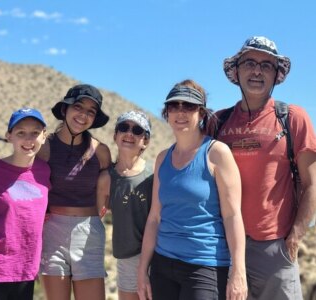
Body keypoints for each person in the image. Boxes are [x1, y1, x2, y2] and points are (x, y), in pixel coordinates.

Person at [213, 36, 316, 300]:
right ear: (236, 71)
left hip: (274, 246)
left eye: (266, 65)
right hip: (224, 246)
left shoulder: (292, 118)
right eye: (249, 63)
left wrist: (295, 236)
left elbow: (312, 183)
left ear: (276, 75)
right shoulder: (218, 122)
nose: (257, 71)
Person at [137, 80, 247, 300]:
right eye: (174, 106)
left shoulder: (217, 153)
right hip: (163, 264)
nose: (180, 112)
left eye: (188, 106)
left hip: (205, 267)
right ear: (166, 113)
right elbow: (155, 218)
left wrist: (238, 271)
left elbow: (232, 215)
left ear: (202, 113)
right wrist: (142, 270)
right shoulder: (162, 159)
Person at [38, 84, 111, 300]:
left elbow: (109, 186)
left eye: (91, 111)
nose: (83, 115)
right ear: (64, 110)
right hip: (51, 232)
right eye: (78, 107)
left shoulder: (101, 151)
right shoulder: (44, 147)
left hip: (88, 232)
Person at [0, 108, 51, 300]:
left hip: (26, 272)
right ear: (9, 136)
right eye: (21, 133)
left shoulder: (45, 171)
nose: (28, 139)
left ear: (44, 136)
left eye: (35, 133)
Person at [97, 110, 153, 300]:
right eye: (123, 128)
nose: (129, 133)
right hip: (127, 258)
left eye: (137, 130)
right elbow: (95, 217)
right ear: (115, 136)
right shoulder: (107, 178)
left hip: (158, 255)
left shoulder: (154, 174)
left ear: (145, 141)